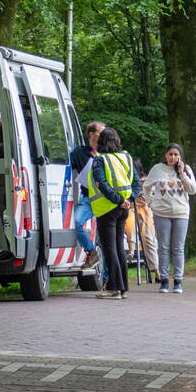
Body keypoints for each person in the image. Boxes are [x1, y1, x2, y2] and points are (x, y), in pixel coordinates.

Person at [143, 143, 196, 293]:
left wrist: (182, 174)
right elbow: (146, 187)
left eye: (176, 154)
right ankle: (164, 280)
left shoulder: (186, 169)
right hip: (162, 213)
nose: (173, 157)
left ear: (180, 156)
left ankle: (178, 281)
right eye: (170, 154)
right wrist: (150, 202)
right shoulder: (157, 169)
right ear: (165, 155)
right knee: (163, 247)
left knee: (178, 248)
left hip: (181, 213)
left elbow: (193, 190)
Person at [88, 126, 134, 299]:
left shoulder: (100, 160)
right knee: (119, 249)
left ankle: (114, 287)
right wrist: (127, 200)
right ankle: (123, 288)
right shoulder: (126, 157)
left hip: (107, 209)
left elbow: (102, 184)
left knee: (110, 249)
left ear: (101, 141)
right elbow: (135, 182)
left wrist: (118, 200)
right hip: (123, 209)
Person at [70, 121, 104, 271]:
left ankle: (109, 280)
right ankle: (91, 251)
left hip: (107, 200)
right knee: (75, 221)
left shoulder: (108, 152)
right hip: (89, 198)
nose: (105, 135)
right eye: (101, 132)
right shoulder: (79, 153)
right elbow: (65, 168)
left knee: (107, 239)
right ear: (92, 134)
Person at [125, 157, 159, 280]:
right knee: (129, 223)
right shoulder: (124, 180)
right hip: (130, 209)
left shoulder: (146, 180)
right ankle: (131, 249)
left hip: (144, 210)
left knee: (148, 234)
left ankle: (156, 269)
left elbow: (151, 199)